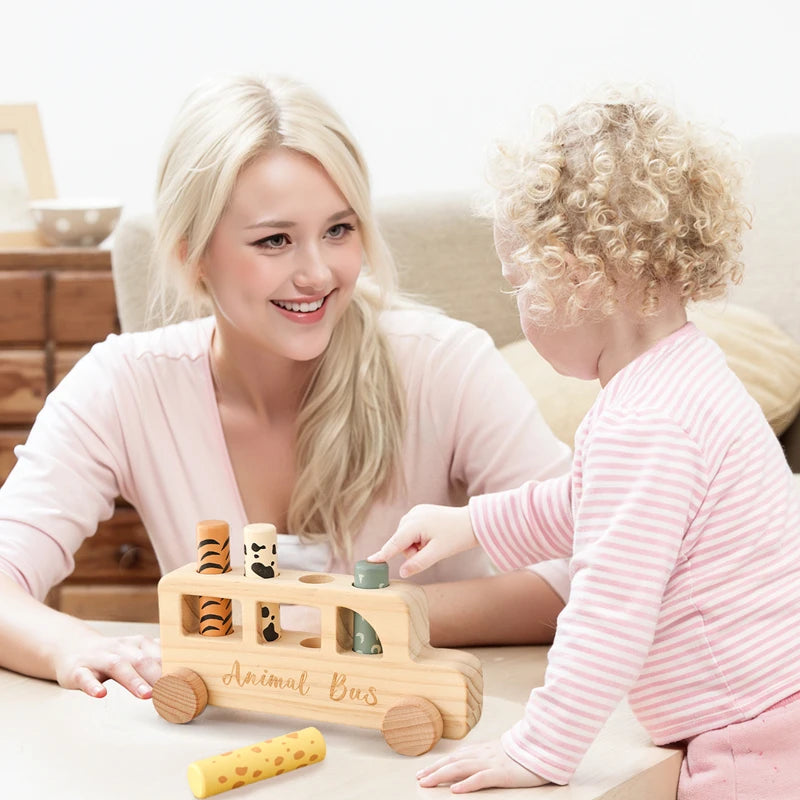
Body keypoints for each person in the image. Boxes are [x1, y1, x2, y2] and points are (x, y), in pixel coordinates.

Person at [0, 74, 572, 702]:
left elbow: (589, 563)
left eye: (339, 230)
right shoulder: (124, 387)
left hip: (426, 746)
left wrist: (370, 619)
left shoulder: (446, 365)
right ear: (194, 254)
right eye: (275, 240)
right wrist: (68, 645)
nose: (318, 273)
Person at [370, 87, 800, 797]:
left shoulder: (646, 422)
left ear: (583, 276)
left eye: (518, 282)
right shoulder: (682, 375)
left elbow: (608, 611)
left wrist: (536, 750)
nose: (519, 304)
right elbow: (590, 502)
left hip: (754, 731)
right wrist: (471, 522)